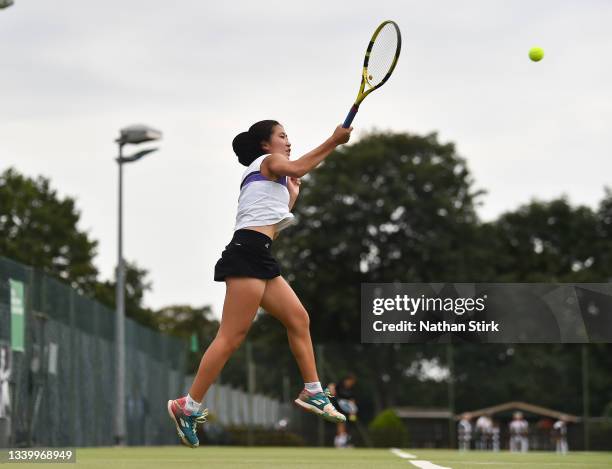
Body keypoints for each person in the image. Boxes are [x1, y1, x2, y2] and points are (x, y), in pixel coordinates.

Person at [167, 120, 353, 447]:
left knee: (299, 319)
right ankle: (188, 405)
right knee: (230, 336)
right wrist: (334, 141)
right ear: (266, 145)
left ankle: (313, 391)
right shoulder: (268, 162)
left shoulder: (274, 178)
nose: (289, 141)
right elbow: (299, 166)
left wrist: (291, 196)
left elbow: (271, 226)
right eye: (282, 136)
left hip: (260, 253)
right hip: (247, 253)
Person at [327, 374, 358, 448]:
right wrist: (331, 388)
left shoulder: (351, 390)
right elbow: (331, 387)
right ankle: (340, 442)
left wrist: (352, 411)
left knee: (348, 425)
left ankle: (344, 441)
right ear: (346, 380)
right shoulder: (339, 385)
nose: (350, 383)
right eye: (350, 381)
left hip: (347, 411)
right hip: (336, 408)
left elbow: (352, 401)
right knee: (341, 422)